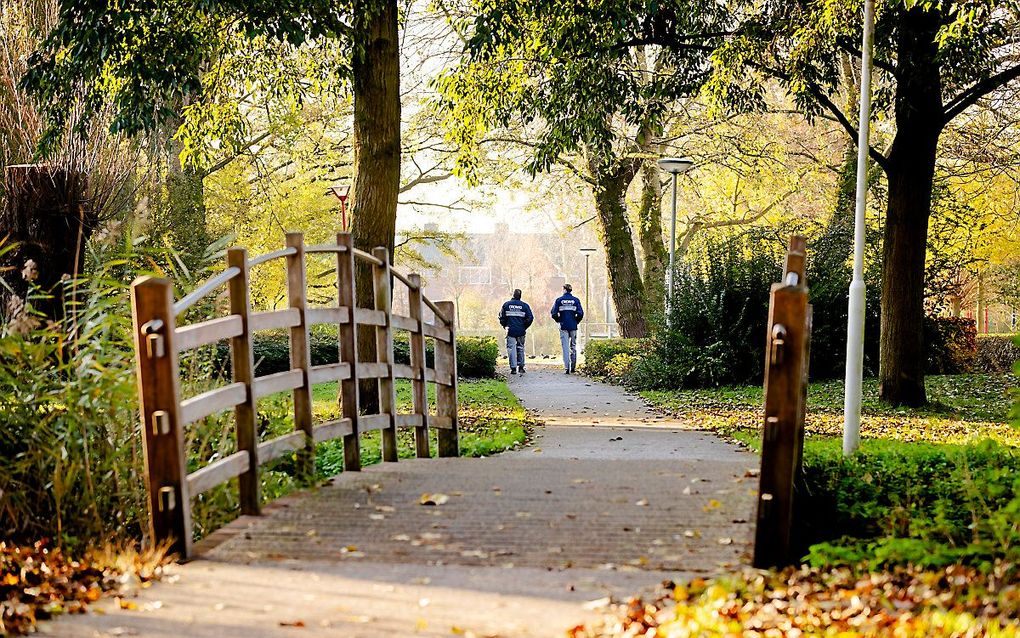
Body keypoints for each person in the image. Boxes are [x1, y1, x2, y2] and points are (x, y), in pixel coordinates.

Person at [498, 289, 533, 375]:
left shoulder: (506, 305)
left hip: (510, 330)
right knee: (520, 347)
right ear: (520, 296)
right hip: (521, 330)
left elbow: (501, 317)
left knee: (511, 348)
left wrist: (505, 325)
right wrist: (524, 326)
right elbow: (530, 318)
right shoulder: (525, 306)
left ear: (513, 295)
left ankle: (513, 368)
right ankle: (521, 367)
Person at [551, 283, 584, 373]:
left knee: (565, 347)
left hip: (563, 326)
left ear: (564, 289)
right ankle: (573, 367)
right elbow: (580, 313)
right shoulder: (576, 300)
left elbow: (553, 313)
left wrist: (558, 320)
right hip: (573, 326)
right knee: (573, 346)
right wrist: (576, 321)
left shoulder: (559, 300)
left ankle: (567, 368)